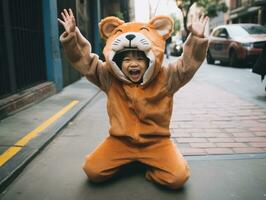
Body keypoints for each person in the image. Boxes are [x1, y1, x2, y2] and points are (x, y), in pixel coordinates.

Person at [58, 9, 208, 189]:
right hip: (120, 142)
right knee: (93, 171)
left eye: (140, 58)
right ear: (118, 62)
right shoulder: (109, 77)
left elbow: (187, 66)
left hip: (157, 143)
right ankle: (128, 161)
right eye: (127, 59)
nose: (133, 63)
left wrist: (197, 39)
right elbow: (86, 62)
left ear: (151, 58)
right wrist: (72, 36)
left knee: (178, 178)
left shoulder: (167, 78)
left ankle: (148, 169)